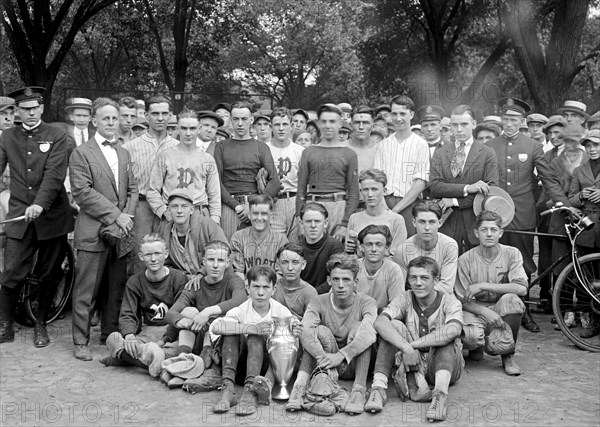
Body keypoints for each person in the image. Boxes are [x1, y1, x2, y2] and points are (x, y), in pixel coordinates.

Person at [486, 97, 571, 333]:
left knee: (522, 262)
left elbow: (548, 179)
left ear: (522, 121)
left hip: (522, 213)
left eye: (514, 120)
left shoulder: (532, 146)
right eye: (506, 119)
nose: (509, 124)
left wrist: (562, 202)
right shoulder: (490, 145)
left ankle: (523, 311)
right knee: (495, 259)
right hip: (494, 211)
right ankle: (494, 310)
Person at [0, 86, 74, 347]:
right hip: (20, 214)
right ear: (17, 111)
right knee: (11, 271)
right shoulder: (7, 137)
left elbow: (55, 174)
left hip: (52, 216)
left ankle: (41, 324)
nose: (30, 113)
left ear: (41, 108)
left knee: (49, 273)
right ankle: (5, 324)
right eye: (25, 109)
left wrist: (41, 204)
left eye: (35, 108)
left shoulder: (57, 134)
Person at [69, 97, 138, 361]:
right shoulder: (82, 153)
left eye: (114, 118)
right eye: (105, 118)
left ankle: (109, 334)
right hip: (92, 231)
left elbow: (133, 187)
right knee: (87, 289)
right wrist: (116, 215)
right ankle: (80, 340)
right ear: (94, 121)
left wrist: (127, 216)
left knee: (115, 286)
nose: (111, 123)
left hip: (120, 231)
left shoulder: (124, 152)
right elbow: (82, 192)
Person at [367, 256, 463, 421]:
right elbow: (380, 322)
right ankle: (378, 388)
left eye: (424, 278)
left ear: (436, 280)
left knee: (444, 339)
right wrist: (406, 348)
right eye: (413, 277)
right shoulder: (405, 297)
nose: (418, 283)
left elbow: (453, 330)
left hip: (444, 366)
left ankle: (439, 397)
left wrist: (411, 346)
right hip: (412, 364)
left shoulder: (449, 300)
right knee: (393, 327)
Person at [286, 254, 377, 415]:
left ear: (355, 282)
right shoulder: (318, 301)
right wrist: (324, 359)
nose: (341, 285)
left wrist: (341, 356)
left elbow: (369, 334)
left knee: (360, 329)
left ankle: (358, 391)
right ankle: (299, 388)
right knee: (317, 331)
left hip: (353, 362)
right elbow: (305, 329)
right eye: (336, 279)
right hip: (326, 363)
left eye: (346, 280)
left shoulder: (367, 302)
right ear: (329, 281)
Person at [210, 265, 297, 415]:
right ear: (247, 287)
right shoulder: (241, 309)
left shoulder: (281, 311)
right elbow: (217, 327)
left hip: (262, 373)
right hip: (238, 366)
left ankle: (250, 392)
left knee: (257, 336)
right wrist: (250, 328)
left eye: (266, 287)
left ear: (274, 289)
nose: (261, 293)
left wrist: (295, 330)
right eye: (256, 286)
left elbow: (294, 333)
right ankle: (228, 388)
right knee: (235, 330)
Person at [163, 240, 246, 387]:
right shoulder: (195, 284)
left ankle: (185, 371)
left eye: (220, 260)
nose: (215, 265)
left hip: (221, 344)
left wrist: (207, 312)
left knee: (222, 319)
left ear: (227, 263)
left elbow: (240, 299)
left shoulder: (233, 281)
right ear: (203, 262)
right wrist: (188, 321)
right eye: (211, 260)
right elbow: (171, 313)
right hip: (196, 337)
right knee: (189, 311)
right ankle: (184, 362)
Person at [100, 234, 188, 374]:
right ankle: (151, 365)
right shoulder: (135, 281)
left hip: (171, 332)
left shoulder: (178, 278)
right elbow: (127, 312)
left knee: (180, 349)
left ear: (166, 254)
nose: (153, 259)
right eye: (148, 254)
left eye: (157, 253)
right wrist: (129, 335)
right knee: (113, 338)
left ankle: (123, 358)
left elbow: (181, 312)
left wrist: (165, 340)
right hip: (149, 333)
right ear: (141, 256)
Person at [456, 211, 527, 376]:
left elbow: (522, 288)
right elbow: (462, 299)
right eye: (484, 230)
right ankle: (478, 345)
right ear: (476, 233)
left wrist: (483, 285)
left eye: (493, 230)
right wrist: (485, 312)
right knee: (471, 337)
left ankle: (507, 354)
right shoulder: (465, 259)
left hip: (500, 306)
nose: (489, 234)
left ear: (500, 232)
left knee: (513, 301)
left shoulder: (512, 253)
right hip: (475, 308)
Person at [429, 104, 499, 254]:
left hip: (475, 222)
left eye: (464, 124)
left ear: (473, 124)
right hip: (448, 224)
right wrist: (467, 188)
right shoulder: (440, 153)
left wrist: (454, 201)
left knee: (476, 270)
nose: (459, 129)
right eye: (454, 125)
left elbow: (490, 191)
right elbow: (435, 187)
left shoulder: (487, 153)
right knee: (448, 267)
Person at [124, 95, 178, 273]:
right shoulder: (131, 147)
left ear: (170, 115)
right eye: (155, 113)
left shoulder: (178, 146)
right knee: (141, 254)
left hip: (169, 209)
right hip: (141, 207)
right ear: (146, 115)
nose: (160, 118)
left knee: (168, 254)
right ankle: (138, 298)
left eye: (164, 113)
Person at [213, 101, 280, 240]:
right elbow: (215, 182)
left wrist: (257, 205)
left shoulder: (261, 147)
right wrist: (237, 207)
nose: (240, 123)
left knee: (257, 249)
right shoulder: (221, 147)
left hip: (256, 206)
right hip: (230, 207)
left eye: (244, 119)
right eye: (236, 119)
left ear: (251, 120)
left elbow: (274, 180)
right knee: (230, 249)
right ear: (231, 120)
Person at [147, 110, 221, 226]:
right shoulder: (165, 155)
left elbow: (214, 194)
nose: (188, 133)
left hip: (199, 214)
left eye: (192, 128)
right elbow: (153, 190)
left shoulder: (207, 158)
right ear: (177, 129)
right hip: (172, 215)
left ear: (199, 128)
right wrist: (164, 211)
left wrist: (214, 220)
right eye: (183, 128)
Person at [296, 104, 359, 238]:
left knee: (338, 254)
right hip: (313, 206)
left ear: (340, 123)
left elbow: (353, 192)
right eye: (324, 121)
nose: (328, 125)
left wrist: (345, 224)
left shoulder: (349, 154)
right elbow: (301, 188)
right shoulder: (309, 152)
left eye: (332, 121)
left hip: (339, 206)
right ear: (318, 123)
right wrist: (300, 220)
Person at [373, 95, 430, 237]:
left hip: (409, 204)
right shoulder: (383, 145)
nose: (398, 118)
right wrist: (385, 209)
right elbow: (377, 180)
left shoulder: (421, 144)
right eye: (394, 114)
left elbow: (420, 183)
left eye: (403, 114)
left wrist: (395, 211)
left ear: (411, 115)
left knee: (407, 249)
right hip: (383, 203)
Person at [568, 129, 600, 338]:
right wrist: (581, 195)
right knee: (587, 277)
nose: (592, 149)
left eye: (596, 145)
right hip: (587, 228)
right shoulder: (579, 171)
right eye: (588, 146)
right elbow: (570, 200)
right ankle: (592, 322)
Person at [157, 189, 227, 284]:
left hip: (211, 279)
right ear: (168, 210)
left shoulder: (207, 225)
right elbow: (165, 265)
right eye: (174, 207)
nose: (179, 211)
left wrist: (202, 274)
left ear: (192, 210)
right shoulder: (165, 232)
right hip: (184, 283)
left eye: (184, 206)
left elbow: (224, 252)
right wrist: (183, 277)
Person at [393, 200, 458, 294]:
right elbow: (399, 289)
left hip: (441, 298)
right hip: (413, 299)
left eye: (432, 222)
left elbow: (447, 286)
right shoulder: (402, 250)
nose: (427, 227)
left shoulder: (449, 245)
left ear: (440, 223)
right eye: (422, 222)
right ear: (414, 222)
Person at [345, 169, 406, 256]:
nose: (370, 194)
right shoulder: (354, 218)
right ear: (361, 192)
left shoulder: (396, 220)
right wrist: (350, 249)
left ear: (384, 191)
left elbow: (396, 255)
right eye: (366, 189)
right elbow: (350, 253)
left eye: (374, 189)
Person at [265, 108, 304, 239]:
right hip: (273, 202)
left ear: (291, 126)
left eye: (285, 124)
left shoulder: (300, 151)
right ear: (271, 127)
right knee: (274, 244)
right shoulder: (263, 149)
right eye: (277, 125)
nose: (281, 128)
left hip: (294, 200)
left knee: (295, 246)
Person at [230, 195, 288, 280]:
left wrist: (264, 289)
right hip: (246, 289)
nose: (259, 218)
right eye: (255, 214)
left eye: (264, 214)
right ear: (249, 215)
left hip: (272, 289)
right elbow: (238, 272)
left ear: (271, 215)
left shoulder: (281, 240)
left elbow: (280, 274)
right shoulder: (238, 238)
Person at [298, 202, 344, 293]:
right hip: (302, 296)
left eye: (317, 221)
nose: (313, 225)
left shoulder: (334, 246)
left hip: (327, 296)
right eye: (308, 221)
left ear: (326, 223)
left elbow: (335, 278)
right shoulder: (297, 248)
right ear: (301, 223)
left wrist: (313, 294)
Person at [355, 225, 404, 311]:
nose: (374, 249)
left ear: (386, 248)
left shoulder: (393, 270)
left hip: (382, 316)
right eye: (369, 244)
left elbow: (397, 305)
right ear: (362, 247)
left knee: (396, 324)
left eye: (379, 245)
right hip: (355, 316)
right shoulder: (353, 267)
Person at [273, 243, 318, 319]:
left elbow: (311, 323)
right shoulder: (272, 287)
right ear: (277, 265)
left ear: (303, 265)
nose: (290, 268)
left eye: (295, 262)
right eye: (285, 262)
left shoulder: (310, 292)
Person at [348, 106, 377, 174]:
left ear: (373, 126)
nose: (361, 127)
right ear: (351, 125)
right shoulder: (340, 148)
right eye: (357, 122)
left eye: (365, 123)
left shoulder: (381, 150)